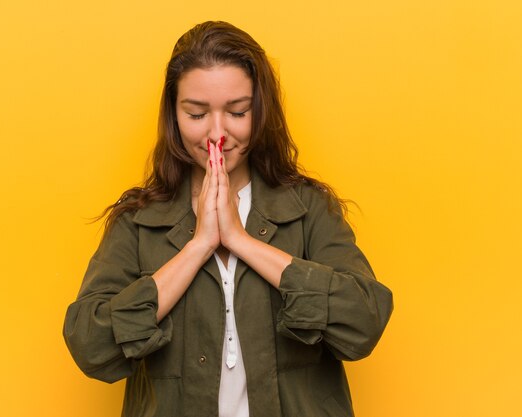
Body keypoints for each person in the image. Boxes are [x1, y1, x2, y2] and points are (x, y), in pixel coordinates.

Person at [63, 21, 393, 417]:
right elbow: (89, 343)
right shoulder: (138, 221)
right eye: (197, 114)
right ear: (174, 114)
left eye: (237, 112)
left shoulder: (309, 208)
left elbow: (364, 321)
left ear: (260, 109)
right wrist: (199, 245)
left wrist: (241, 240)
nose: (216, 134)